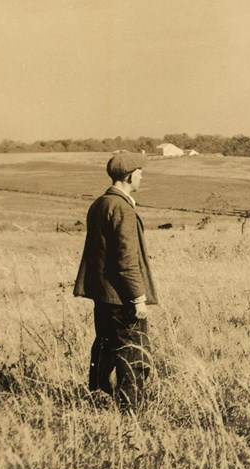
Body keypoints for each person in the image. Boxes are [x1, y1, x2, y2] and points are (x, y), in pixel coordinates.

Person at [74, 151, 158, 412]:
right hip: (122, 297)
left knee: (104, 349)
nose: (142, 177)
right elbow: (126, 258)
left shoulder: (100, 203)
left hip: (103, 296)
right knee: (133, 353)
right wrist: (138, 297)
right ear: (130, 176)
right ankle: (132, 413)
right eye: (140, 173)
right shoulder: (122, 208)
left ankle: (98, 401)